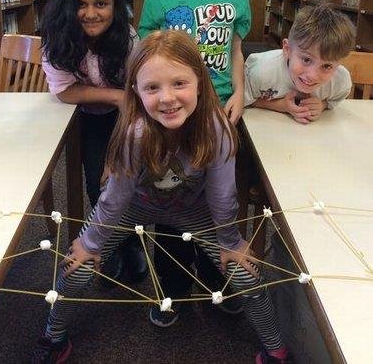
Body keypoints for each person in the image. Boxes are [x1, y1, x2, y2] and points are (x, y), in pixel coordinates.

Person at [32, 30, 290, 364]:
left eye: (179, 83)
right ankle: (53, 337)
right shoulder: (134, 133)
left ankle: (277, 351)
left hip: (194, 211)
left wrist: (229, 240)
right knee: (76, 267)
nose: (167, 98)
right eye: (152, 87)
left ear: (199, 80)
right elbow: (115, 197)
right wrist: (91, 242)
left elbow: (224, 196)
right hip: (135, 207)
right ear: (136, 91)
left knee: (246, 272)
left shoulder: (217, 128)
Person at [138, 0, 251, 321]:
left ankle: (216, 283)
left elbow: (236, 46)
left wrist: (239, 91)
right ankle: (170, 289)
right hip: (171, 112)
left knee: (218, 199)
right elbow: (148, 49)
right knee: (167, 196)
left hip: (219, 109)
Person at [41, 0, 147, 284]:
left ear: (116, 4)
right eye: (81, 4)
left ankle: (131, 243)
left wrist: (119, 148)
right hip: (86, 114)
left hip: (130, 114)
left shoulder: (127, 40)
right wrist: (114, 95)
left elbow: (137, 97)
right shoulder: (58, 38)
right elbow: (63, 90)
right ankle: (108, 245)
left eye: (101, 3)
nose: (90, 13)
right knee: (96, 182)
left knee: (127, 177)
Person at [244, 4, 355, 123]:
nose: (312, 75)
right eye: (306, 60)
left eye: (327, 66)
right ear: (287, 49)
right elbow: (244, 100)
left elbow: (337, 97)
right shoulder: (259, 72)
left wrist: (322, 105)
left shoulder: (340, 80)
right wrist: (281, 106)